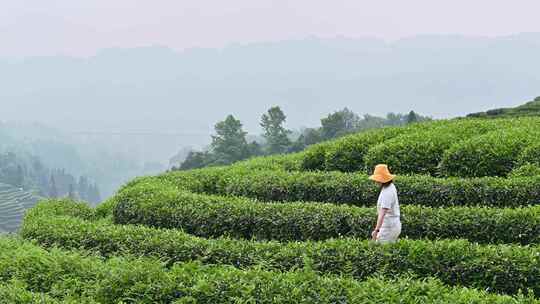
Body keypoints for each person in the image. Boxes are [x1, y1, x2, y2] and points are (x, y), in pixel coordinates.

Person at [369, 164, 401, 243]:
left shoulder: (387, 192)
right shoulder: (390, 186)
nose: (375, 181)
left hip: (388, 228)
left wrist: (376, 231)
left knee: (381, 250)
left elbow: (382, 214)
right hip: (391, 225)